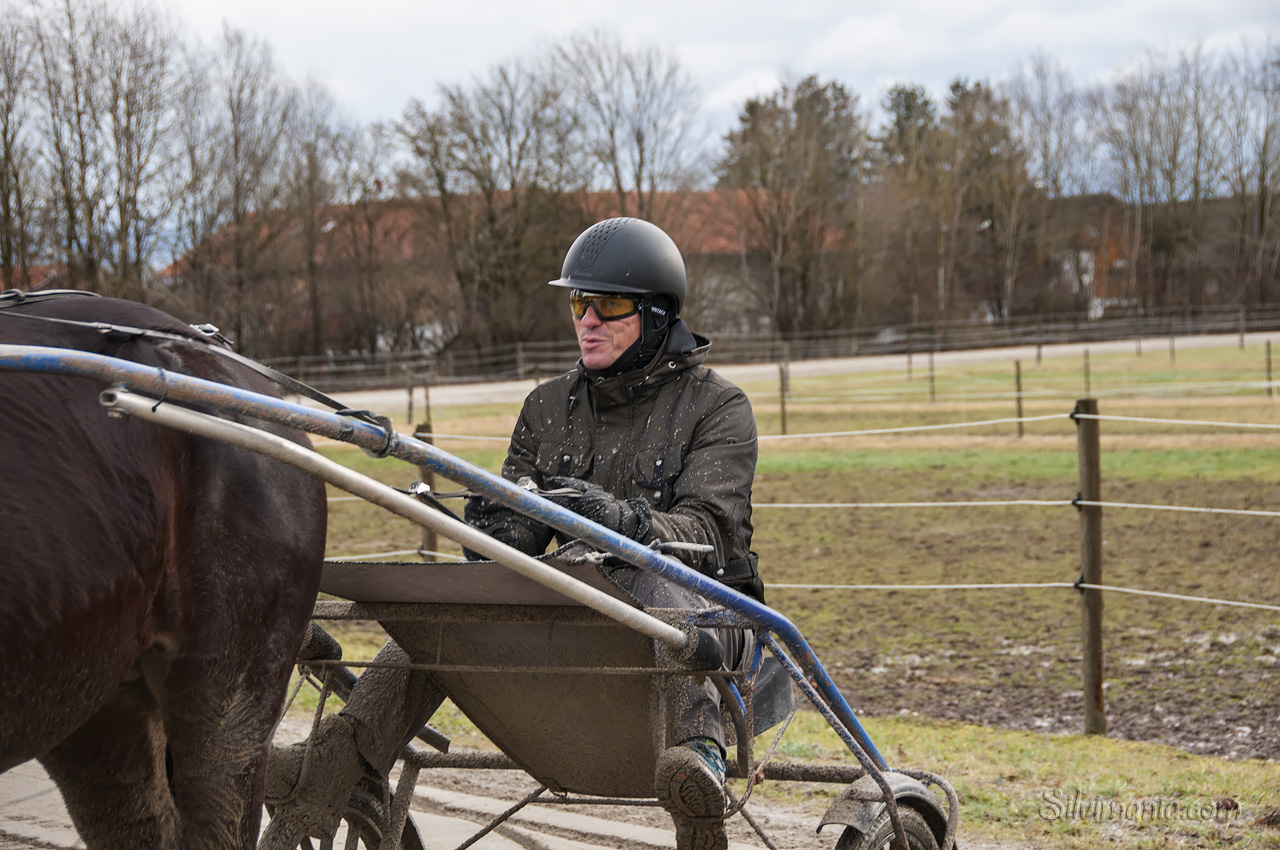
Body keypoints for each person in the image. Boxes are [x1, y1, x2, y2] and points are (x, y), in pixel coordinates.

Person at [464, 216, 761, 850]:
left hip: (713, 623)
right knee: (444, 605)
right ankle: (344, 754)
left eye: (610, 304)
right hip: (585, 615)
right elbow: (512, 550)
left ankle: (698, 763)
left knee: (654, 582)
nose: (588, 320)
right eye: (579, 301)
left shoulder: (719, 407)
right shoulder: (546, 408)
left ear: (656, 315)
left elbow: (709, 536)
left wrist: (622, 522)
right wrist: (492, 531)